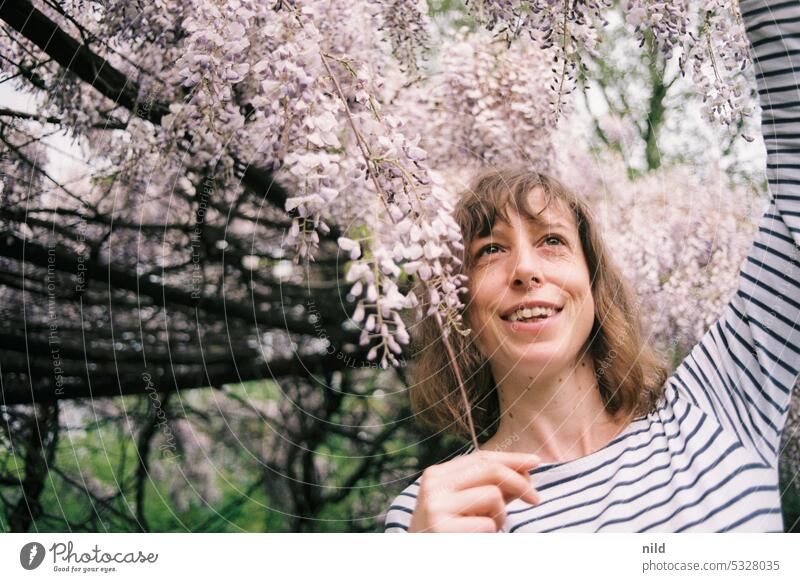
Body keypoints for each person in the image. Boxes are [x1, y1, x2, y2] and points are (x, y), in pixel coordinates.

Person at [384, 0, 800, 533]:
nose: (525, 269)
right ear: (457, 305)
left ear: (593, 284)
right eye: (490, 249)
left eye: (552, 241)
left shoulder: (721, 403)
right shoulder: (441, 510)